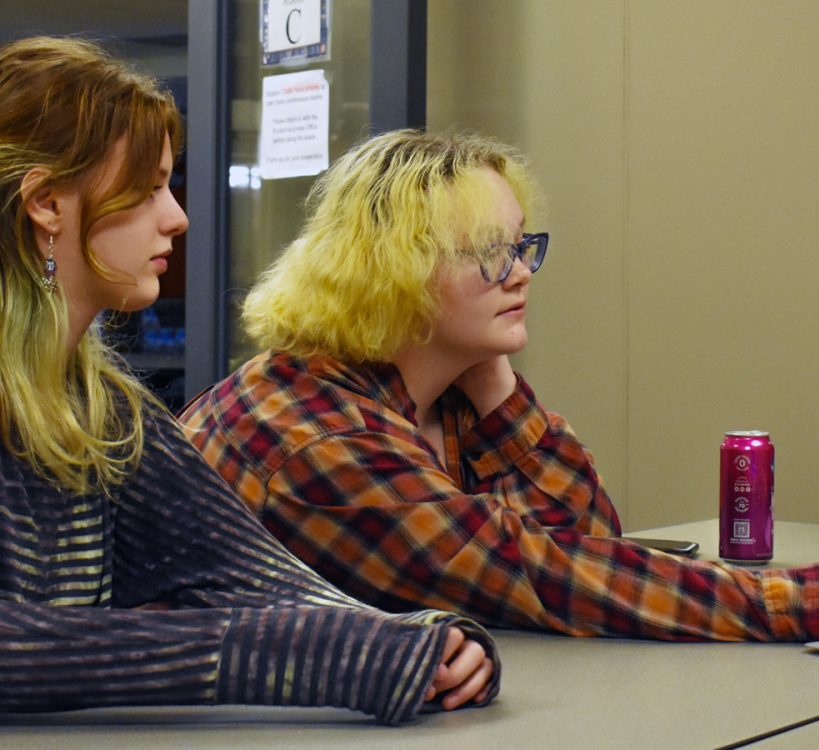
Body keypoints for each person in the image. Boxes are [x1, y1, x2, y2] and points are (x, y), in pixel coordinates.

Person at [180, 128, 819, 643]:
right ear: (394, 275)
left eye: (523, 245)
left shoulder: (440, 393)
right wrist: (806, 606)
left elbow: (592, 539)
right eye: (490, 252)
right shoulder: (312, 431)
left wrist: (496, 384)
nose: (522, 271)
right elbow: (532, 571)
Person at [0, 36, 496, 722]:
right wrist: (316, 652)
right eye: (145, 191)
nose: (177, 216)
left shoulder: (103, 409)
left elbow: (247, 574)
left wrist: (421, 643)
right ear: (47, 204)